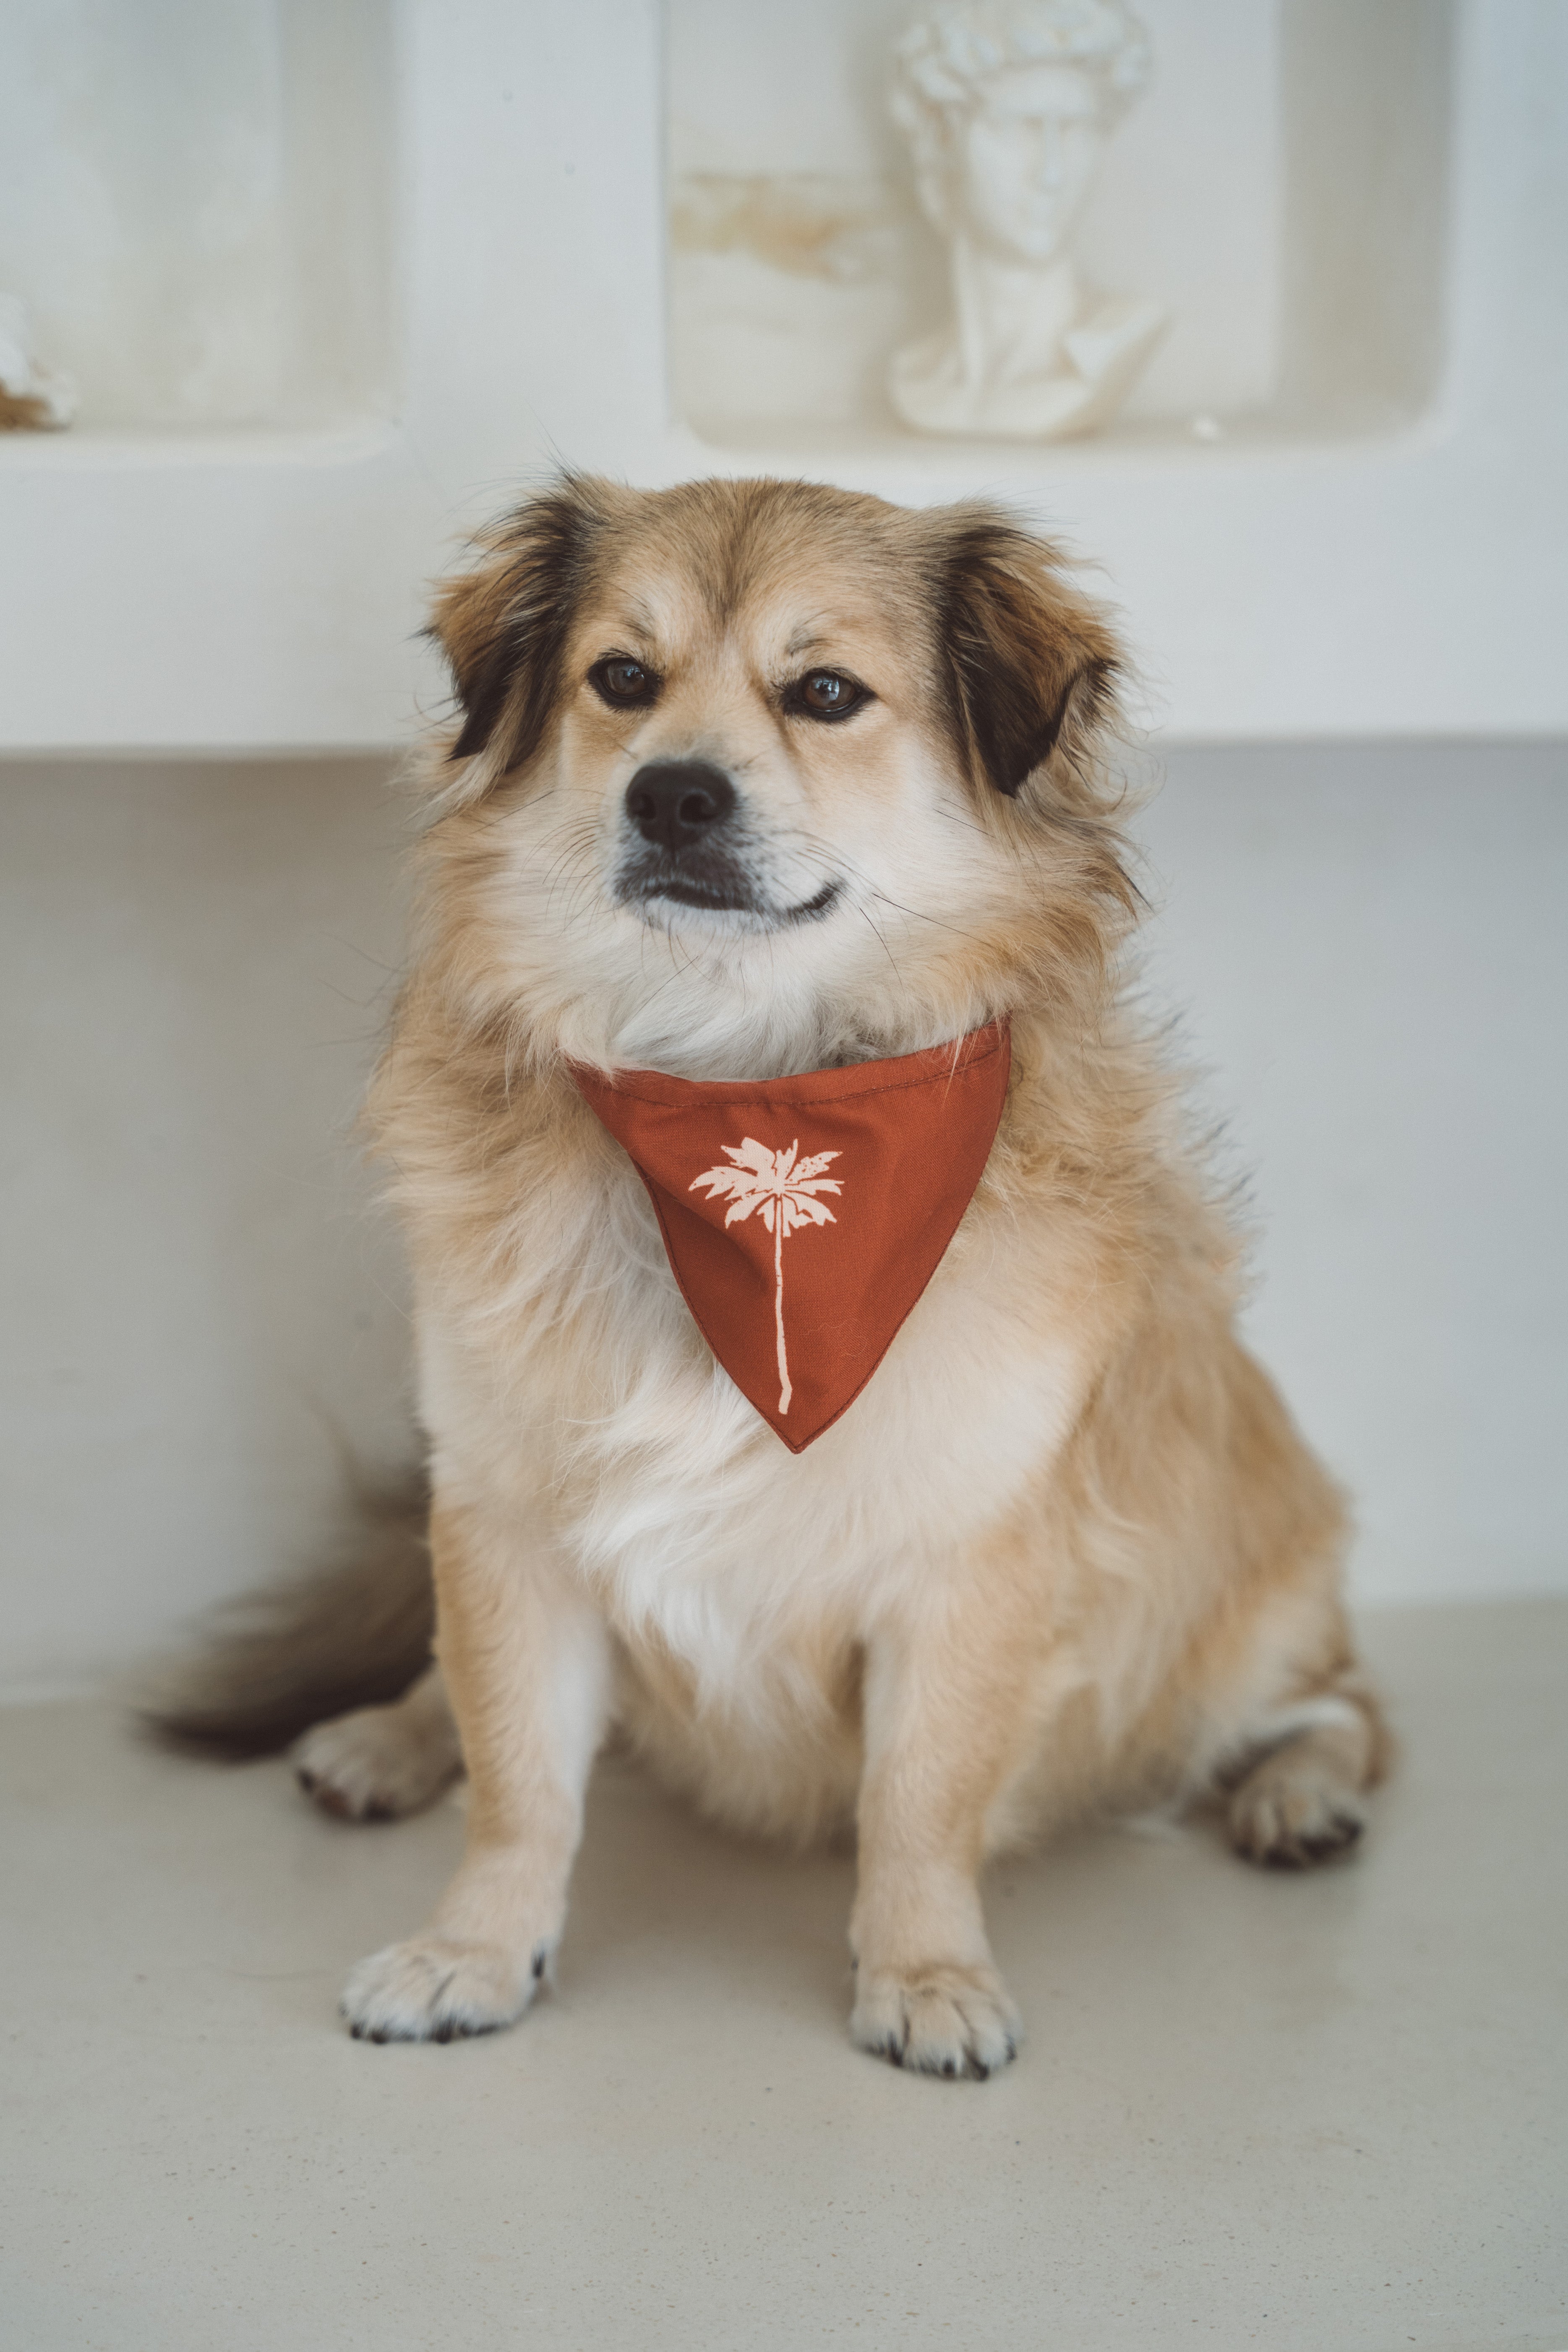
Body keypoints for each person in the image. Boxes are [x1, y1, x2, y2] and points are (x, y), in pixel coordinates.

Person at [889, 0, 1166, 438]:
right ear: (943, 139)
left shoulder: (1115, 338)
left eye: (1076, 129)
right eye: (1017, 127)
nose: (1051, 173)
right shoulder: (914, 372)